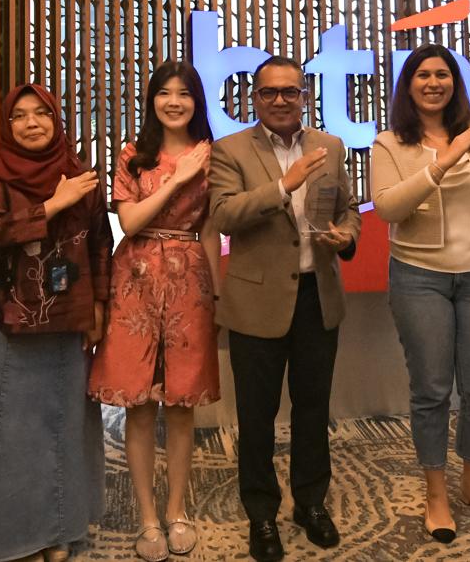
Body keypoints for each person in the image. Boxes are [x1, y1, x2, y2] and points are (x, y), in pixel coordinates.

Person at [208, 55, 361, 562]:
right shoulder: (230, 149)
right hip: (257, 300)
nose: (279, 100)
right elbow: (224, 214)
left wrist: (346, 236)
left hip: (319, 295)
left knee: (314, 409)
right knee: (256, 415)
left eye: (289, 91)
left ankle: (311, 503)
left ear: (304, 96)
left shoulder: (329, 146)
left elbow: (347, 209)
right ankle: (261, 513)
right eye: (268, 92)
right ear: (254, 98)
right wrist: (283, 186)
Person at [369, 44, 470, 545]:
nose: (433, 83)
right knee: (432, 390)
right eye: (422, 75)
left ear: (455, 82)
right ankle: (436, 491)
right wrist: (442, 163)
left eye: (442, 74)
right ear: (408, 84)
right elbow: (388, 208)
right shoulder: (389, 143)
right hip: (418, 277)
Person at [0, 84, 112, 562]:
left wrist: (99, 305)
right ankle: (19, 539)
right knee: (12, 434)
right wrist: (51, 205)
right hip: (9, 323)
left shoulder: (81, 173)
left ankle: (59, 531)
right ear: (7, 126)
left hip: (69, 319)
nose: (31, 124)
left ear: (55, 119)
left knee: (63, 429)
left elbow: (100, 244)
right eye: (19, 116)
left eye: (41, 114)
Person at [89, 60, 221, 562]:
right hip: (136, 281)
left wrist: (215, 297)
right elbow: (130, 222)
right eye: (164, 92)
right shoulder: (133, 155)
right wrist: (176, 178)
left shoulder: (211, 155)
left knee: (183, 405)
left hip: (190, 283)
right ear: (152, 101)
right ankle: (148, 516)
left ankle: (176, 509)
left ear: (196, 101)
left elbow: (210, 230)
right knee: (140, 405)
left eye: (184, 93)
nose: (174, 102)